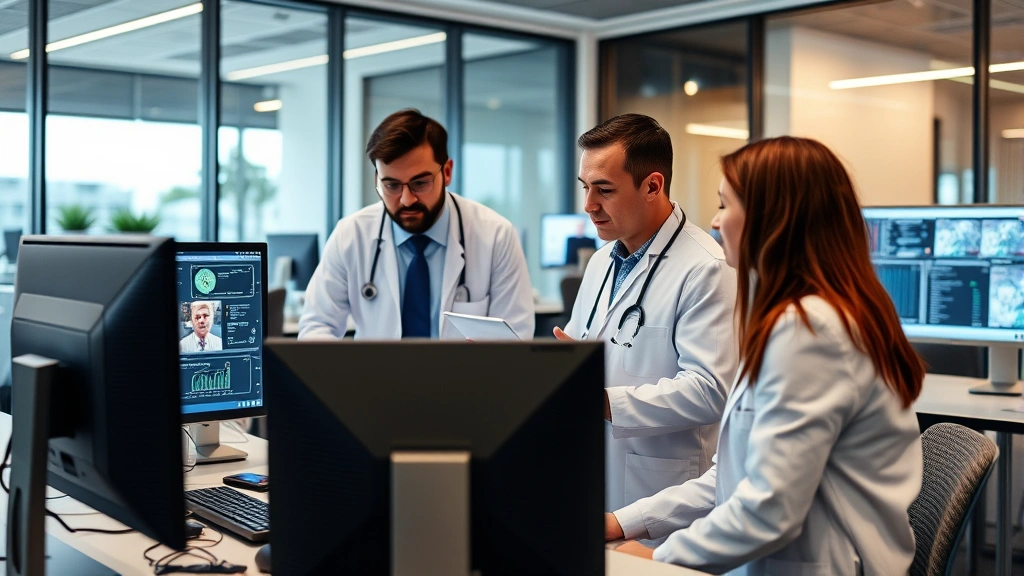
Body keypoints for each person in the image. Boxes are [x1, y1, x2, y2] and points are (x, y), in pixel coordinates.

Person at [607, 137, 925, 575]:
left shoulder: (811, 330)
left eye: (725, 205)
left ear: (774, 218)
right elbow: (732, 477)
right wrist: (624, 522)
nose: (716, 222)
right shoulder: (801, 318)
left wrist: (661, 558)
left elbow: (770, 510)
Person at [554, 114, 738, 512]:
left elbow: (710, 391)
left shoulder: (707, 266)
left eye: (604, 190)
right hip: (594, 470)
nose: (588, 205)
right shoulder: (602, 261)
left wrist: (602, 402)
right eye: (585, 188)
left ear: (653, 185)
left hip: (665, 486)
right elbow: (579, 348)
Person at [300, 109, 534, 340]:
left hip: (463, 378)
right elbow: (316, 327)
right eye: (391, 185)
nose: (406, 199)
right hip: (372, 378)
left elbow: (515, 340)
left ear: (448, 172)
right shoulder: (350, 235)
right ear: (377, 180)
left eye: (420, 183)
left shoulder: (495, 236)